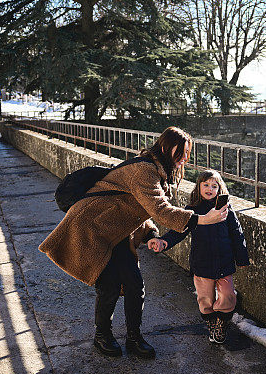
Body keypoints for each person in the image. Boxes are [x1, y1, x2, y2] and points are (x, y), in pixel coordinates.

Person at [39, 127, 229, 358]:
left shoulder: (156, 171)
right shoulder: (144, 170)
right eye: (181, 153)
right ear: (166, 148)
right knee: (108, 284)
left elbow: (136, 210)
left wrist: (150, 235)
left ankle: (134, 338)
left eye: (188, 153)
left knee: (134, 284)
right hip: (93, 227)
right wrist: (201, 219)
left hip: (116, 231)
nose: (184, 159)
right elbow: (160, 209)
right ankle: (103, 336)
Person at [147, 169, 249, 344]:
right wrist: (164, 242)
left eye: (214, 186)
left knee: (227, 296)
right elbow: (179, 231)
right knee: (205, 300)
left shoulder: (226, 210)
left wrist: (242, 259)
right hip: (202, 263)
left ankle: (222, 325)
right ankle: (211, 323)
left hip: (224, 262)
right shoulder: (192, 210)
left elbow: (237, 234)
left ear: (220, 189)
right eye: (206, 185)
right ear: (198, 187)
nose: (210, 188)